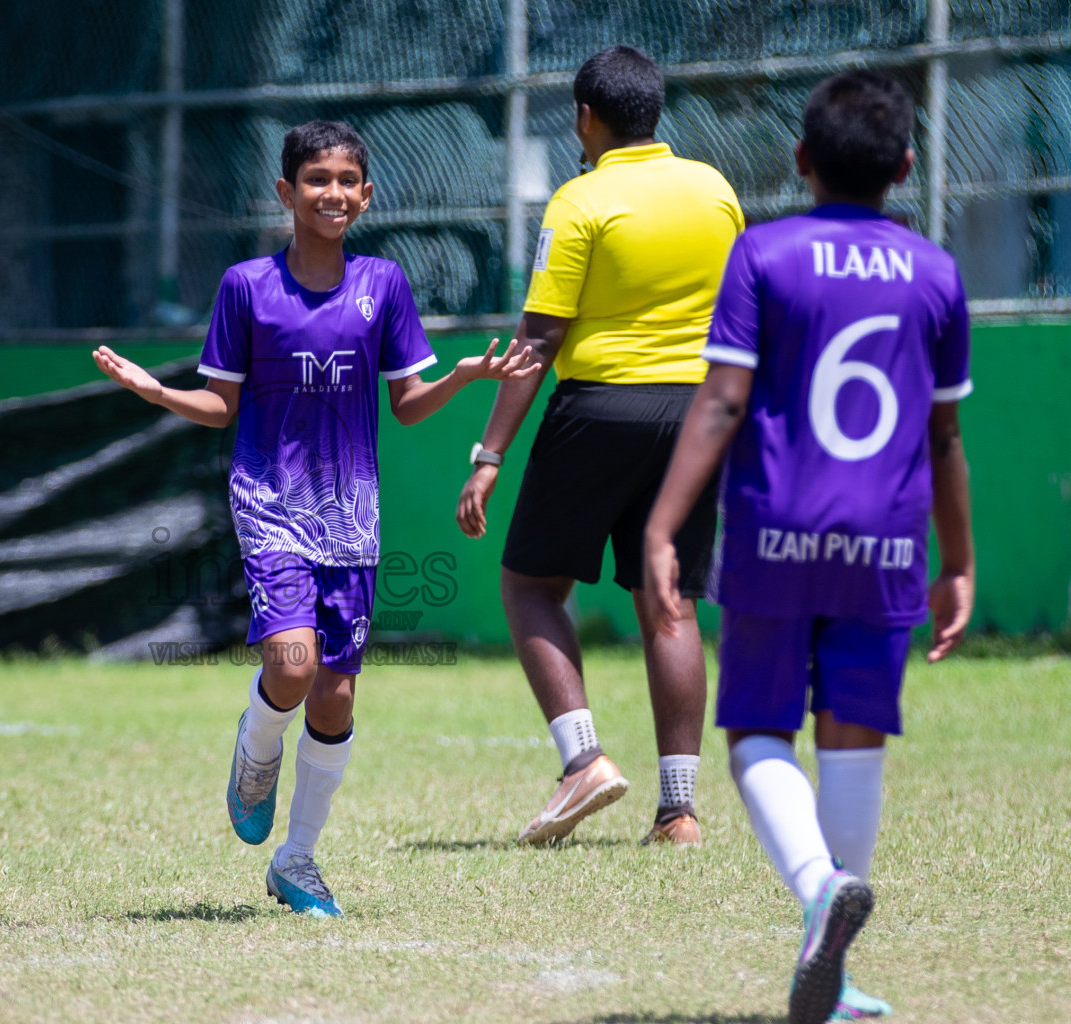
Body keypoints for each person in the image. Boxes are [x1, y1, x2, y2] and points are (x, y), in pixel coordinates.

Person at [94, 120, 539, 917]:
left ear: (366, 195)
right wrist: (160, 394)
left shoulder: (384, 285)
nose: (332, 193)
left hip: (352, 517)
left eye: (346, 180)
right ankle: (255, 748)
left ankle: (296, 862)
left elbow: (406, 406)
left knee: (335, 697)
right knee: (293, 667)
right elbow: (219, 401)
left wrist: (467, 376)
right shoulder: (246, 287)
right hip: (269, 501)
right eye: (316, 179)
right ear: (285, 192)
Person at [639, 70, 974, 1024]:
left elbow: (720, 400)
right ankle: (837, 965)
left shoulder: (764, 254)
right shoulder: (936, 271)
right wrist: (958, 562)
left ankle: (820, 891)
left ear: (801, 160)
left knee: (755, 731)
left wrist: (663, 526)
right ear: (906, 166)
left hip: (774, 532)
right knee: (853, 736)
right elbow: (945, 437)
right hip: (887, 541)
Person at [455, 46, 743, 846]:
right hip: (698, 413)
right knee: (670, 600)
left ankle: (582, 761)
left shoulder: (581, 201)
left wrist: (489, 454)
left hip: (601, 410)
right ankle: (679, 811)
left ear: (586, 116)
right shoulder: (715, 191)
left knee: (530, 586)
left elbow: (540, 338)